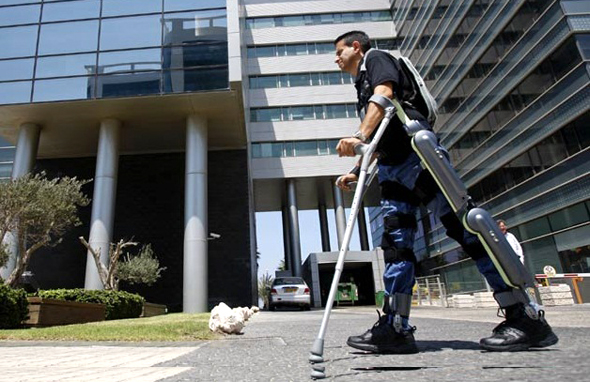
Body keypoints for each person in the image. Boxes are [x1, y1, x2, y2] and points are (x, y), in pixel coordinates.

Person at [333, 30, 557, 354]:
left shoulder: (376, 60)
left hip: (419, 157)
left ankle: (525, 317)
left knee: (465, 226)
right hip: (394, 167)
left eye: (339, 51)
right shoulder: (360, 84)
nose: (336, 58)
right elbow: (382, 138)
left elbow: (384, 95)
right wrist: (357, 171)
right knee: (397, 245)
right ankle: (395, 326)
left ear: (356, 47)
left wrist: (358, 136)